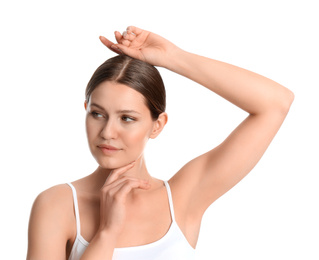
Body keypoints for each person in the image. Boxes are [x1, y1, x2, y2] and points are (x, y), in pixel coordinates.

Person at [26, 26, 294, 260]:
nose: (108, 132)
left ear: (157, 125)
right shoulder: (57, 205)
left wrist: (173, 57)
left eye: (127, 118)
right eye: (97, 114)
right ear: (85, 109)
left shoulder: (182, 198)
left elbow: (275, 103)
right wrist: (107, 233)